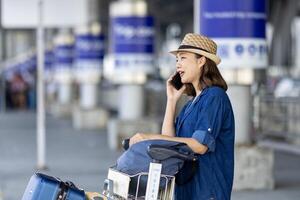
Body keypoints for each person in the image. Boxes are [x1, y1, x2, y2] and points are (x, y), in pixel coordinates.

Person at [129, 33, 235, 200]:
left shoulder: (215, 97)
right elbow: (169, 140)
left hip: (207, 191)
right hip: (186, 190)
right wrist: (171, 100)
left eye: (183, 58)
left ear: (201, 61)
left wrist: (148, 138)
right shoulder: (190, 104)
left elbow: (200, 145)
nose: (178, 64)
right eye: (177, 59)